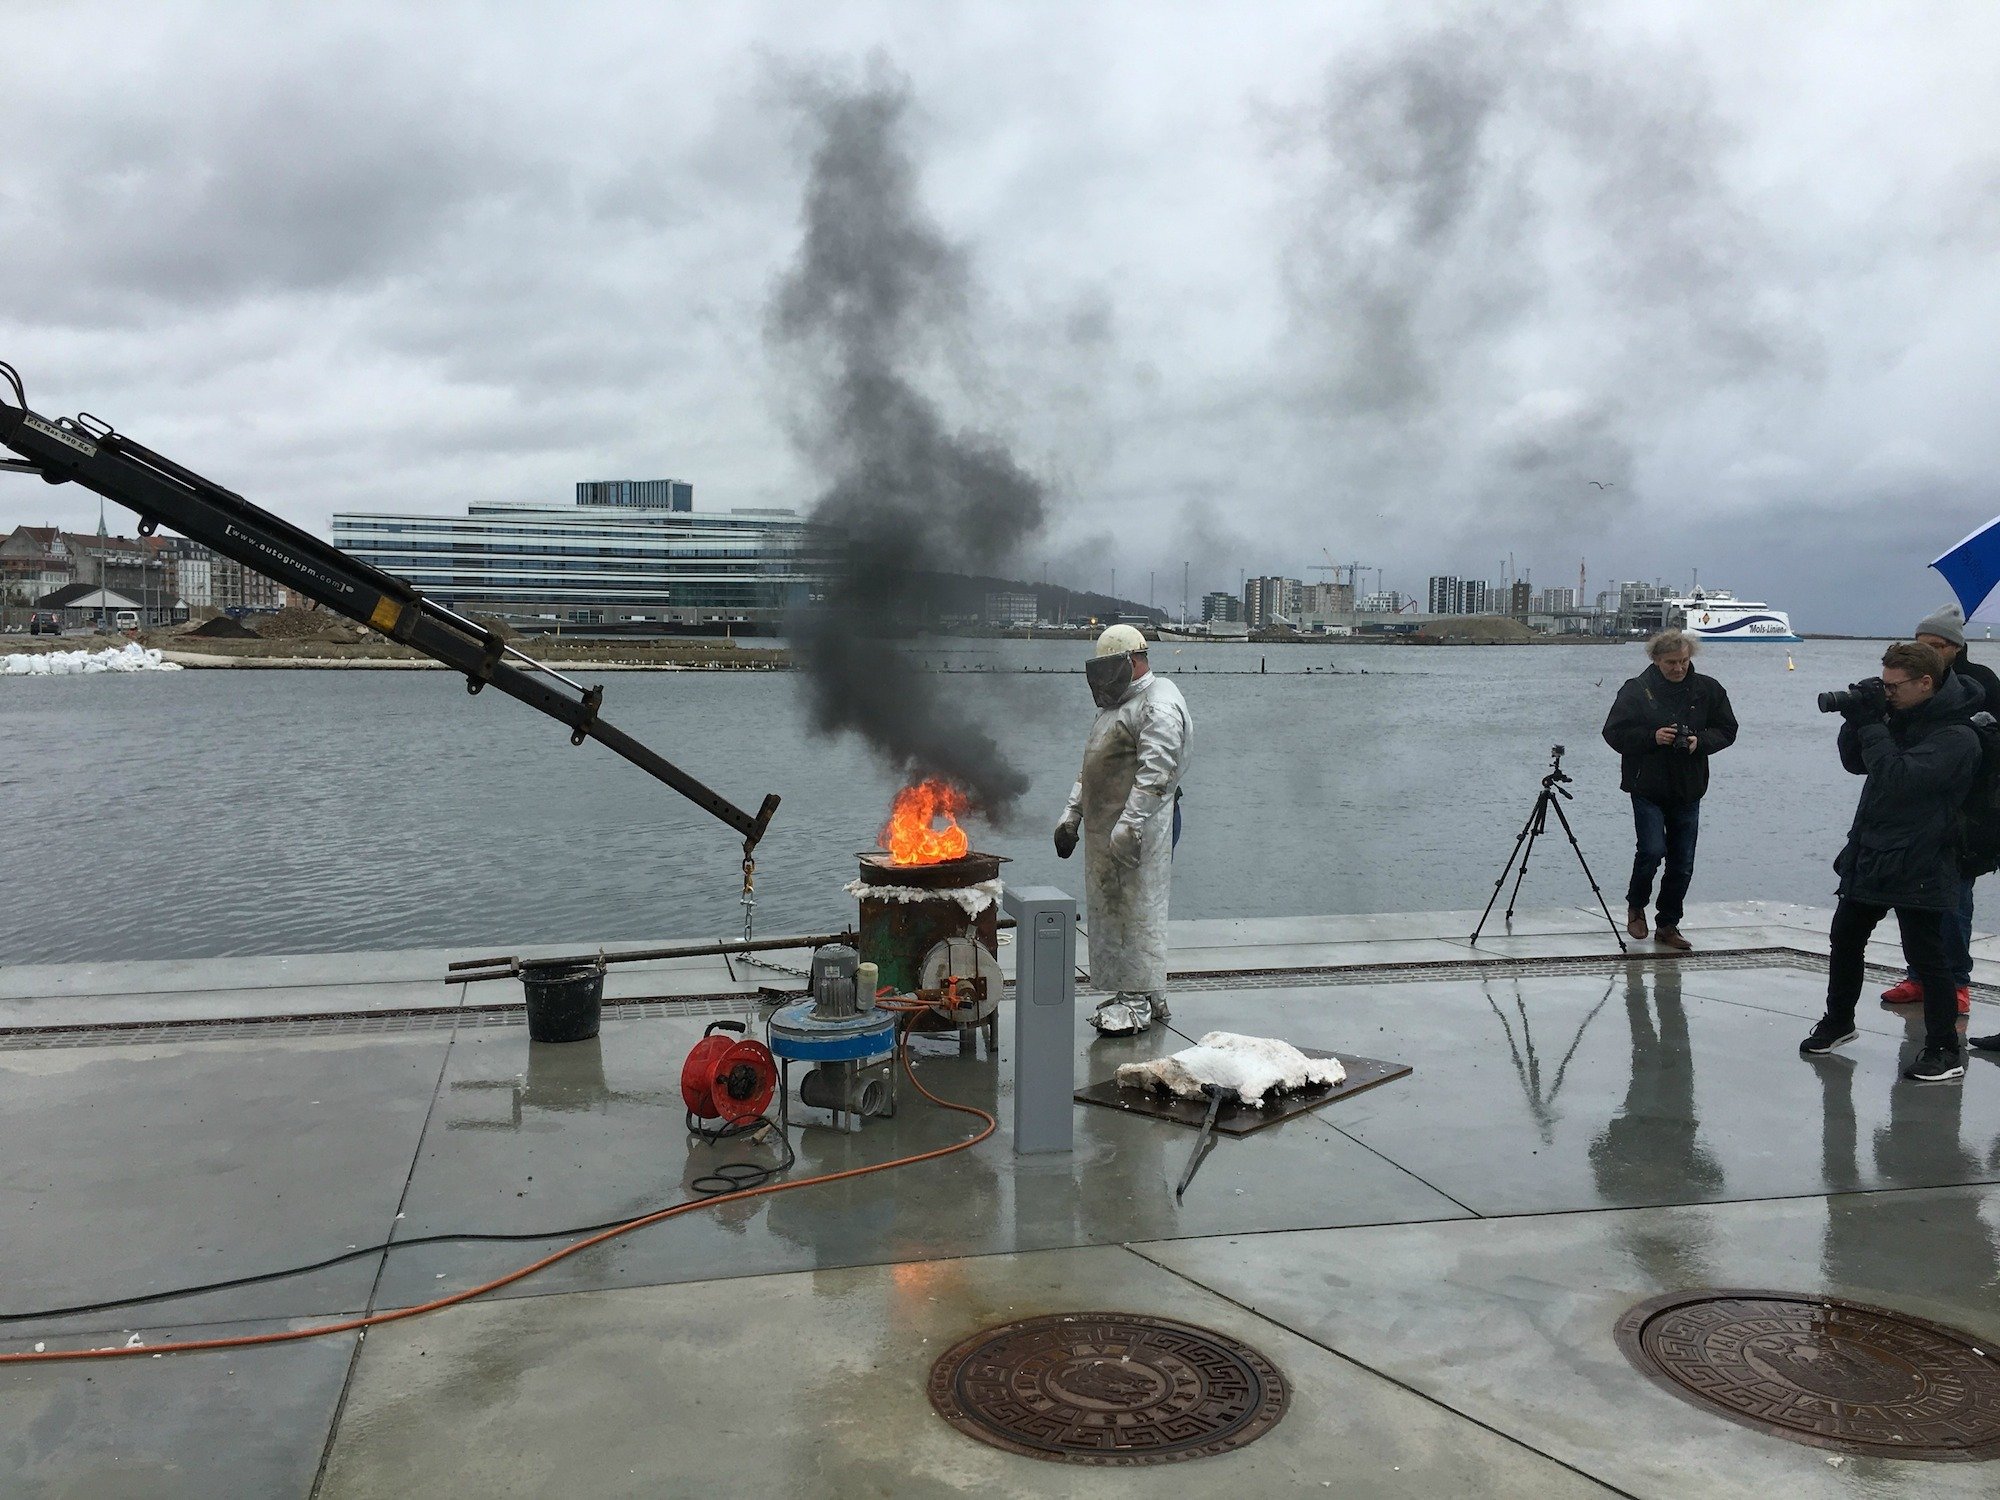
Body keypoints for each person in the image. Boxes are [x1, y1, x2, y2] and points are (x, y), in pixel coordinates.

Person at [1801, 641, 1981, 1083]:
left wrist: (1872, 724)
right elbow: (1855, 763)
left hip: (1923, 857)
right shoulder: (1899, 717)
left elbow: (1898, 779)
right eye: (1883, 684)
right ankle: (1838, 1022)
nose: (1888, 693)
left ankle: (1944, 1049)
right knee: (1846, 937)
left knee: (1927, 955)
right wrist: (1856, 719)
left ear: (1926, 683)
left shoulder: (1957, 736)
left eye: (1894, 686)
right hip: (1874, 850)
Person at [1053, 624, 1191, 1035]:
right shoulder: (1116, 706)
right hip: (1107, 827)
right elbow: (1092, 767)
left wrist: (1131, 823)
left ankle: (1137, 1001)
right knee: (1114, 912)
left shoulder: (1158, 704)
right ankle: (1144, 992)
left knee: (1138, 909)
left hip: (1143, 826)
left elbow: (1157, 774)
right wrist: (1072, 814)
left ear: (1131, 661)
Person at [1878, 602, 2000, 1015]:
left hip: (1966, 813)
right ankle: (1918, 976)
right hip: (1915, 807)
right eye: (1919, 642)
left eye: (1935, 645)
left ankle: (1957, 981)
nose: (1925, 650)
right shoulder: (1908, 685)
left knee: (1955, 901)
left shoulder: (1981, 682)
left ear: (1955, 647)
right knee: (1912, 898)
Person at [1600, 629, 1738, 951]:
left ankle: (1668, 924)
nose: (1679, 668)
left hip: (1688, 788)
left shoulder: (1708, 689)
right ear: (1656, 660)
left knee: (1682, 861)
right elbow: (1613, 733)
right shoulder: (1636, 690)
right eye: (1671, 663)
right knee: (1651, 850)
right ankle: (1636, 906)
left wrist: (1700, 741)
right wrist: (1653, 737)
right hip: (1647, 786)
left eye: (1683, 661)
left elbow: (1728, 729)